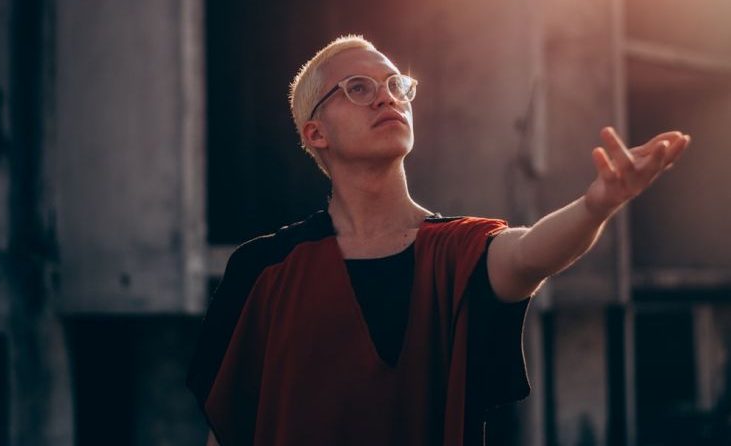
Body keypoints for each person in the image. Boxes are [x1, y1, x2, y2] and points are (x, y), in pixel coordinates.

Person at [186, 35, 690, 445]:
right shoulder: (264, 269)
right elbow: (227, 431)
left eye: (395, 84)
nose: (387, 96)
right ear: (317, 133)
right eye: (358, 88)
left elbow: (531, 252)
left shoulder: (458, 251)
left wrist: (596, 205)